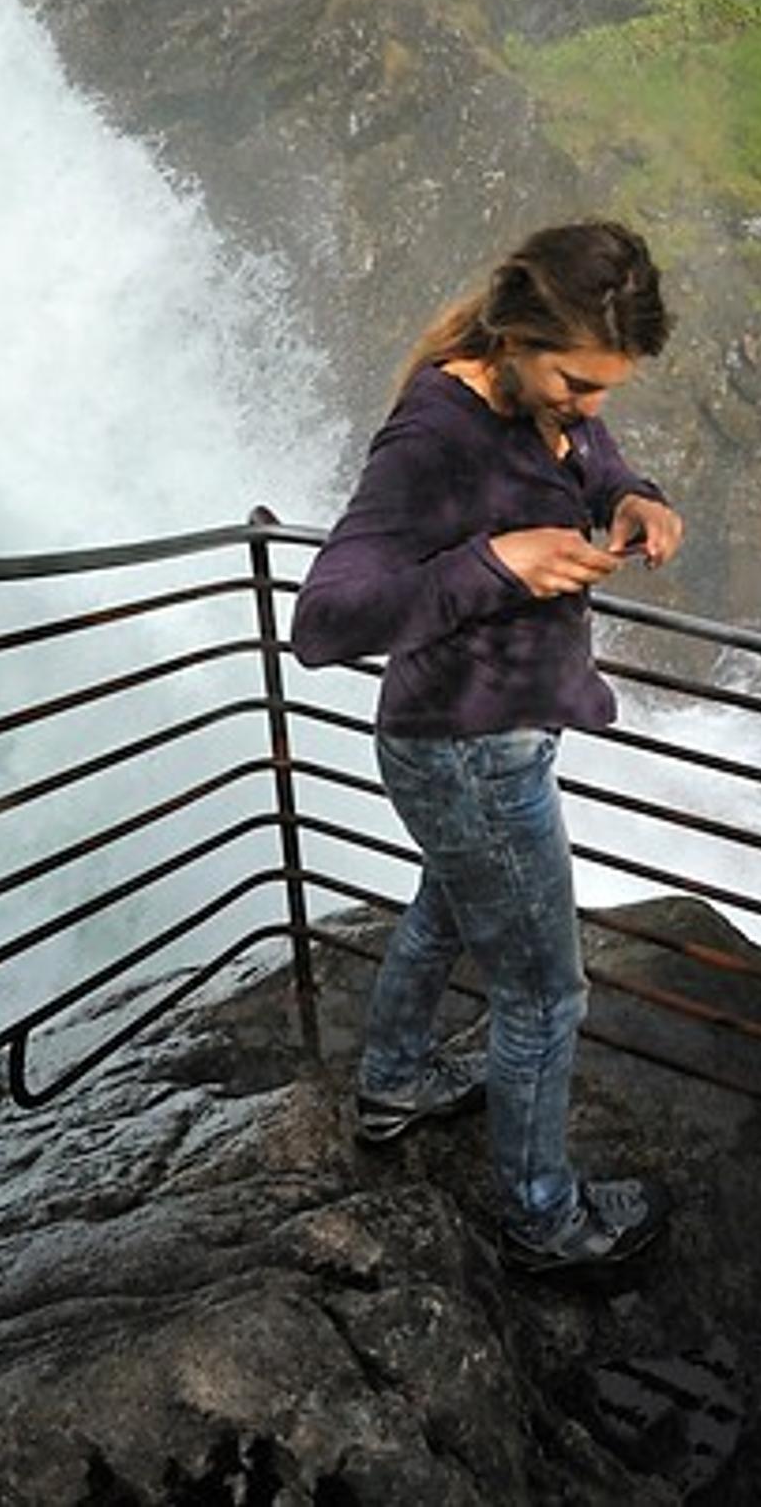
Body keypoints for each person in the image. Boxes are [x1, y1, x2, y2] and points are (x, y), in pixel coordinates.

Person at [289, 219, 686, 1276]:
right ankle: (541, 1215)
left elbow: (578, 450)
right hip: (468, 748)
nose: (592, 406)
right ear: (513, 337)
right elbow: (323, 621)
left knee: (447, 905)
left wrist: (628, 493)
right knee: (547, 994)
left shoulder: (536, 404)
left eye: (608, 387)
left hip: (476, 739)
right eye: (577, 381)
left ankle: (393, 1082)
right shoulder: (435, 434)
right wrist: (497, 563)